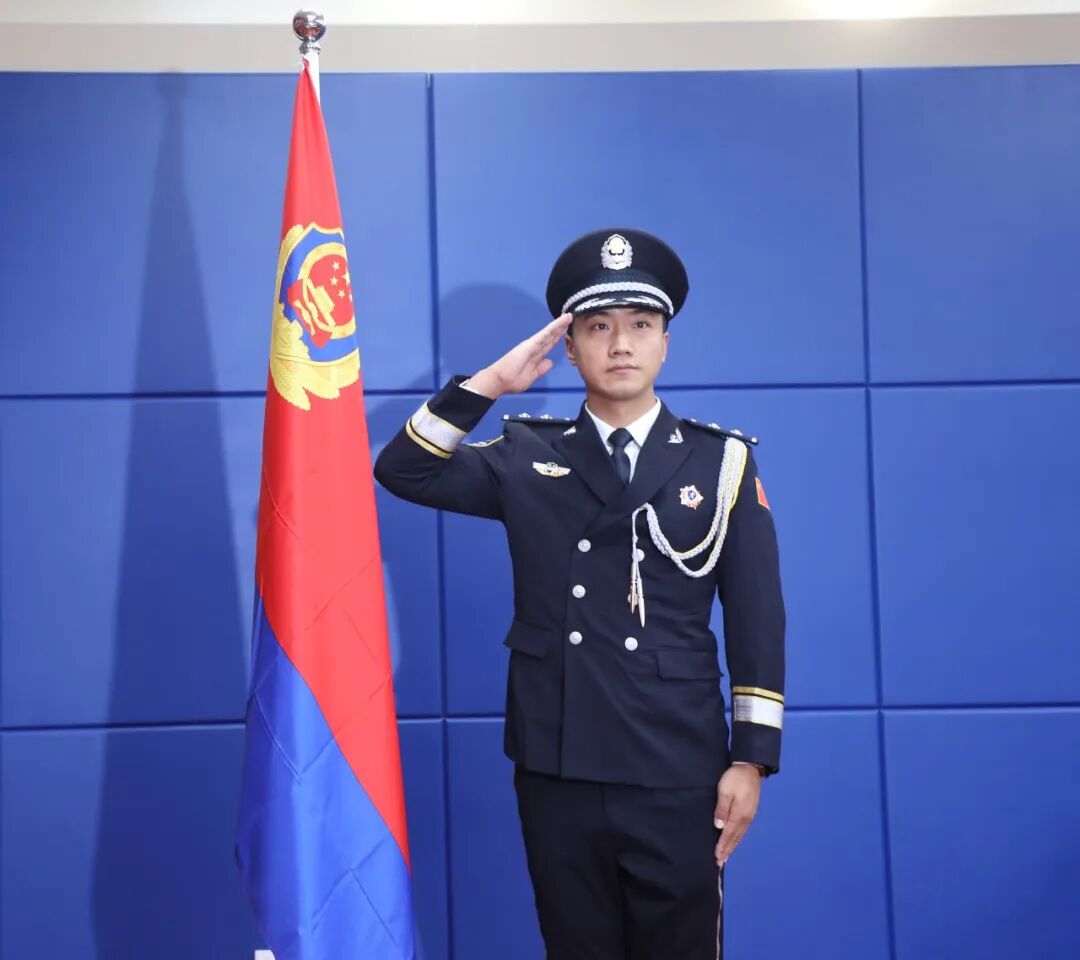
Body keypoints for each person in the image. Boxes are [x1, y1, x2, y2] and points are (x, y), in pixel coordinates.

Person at [374, 227, 786, 959]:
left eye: (641, 326)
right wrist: (488, 385)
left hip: (676, 763)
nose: (621, 344)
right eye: (598, 327)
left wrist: (750, 760)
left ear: (665, 344)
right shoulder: (526, 456)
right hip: (558, 760)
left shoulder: (721, 463)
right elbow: (404, 469)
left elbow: (758, 620)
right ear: (568, 348)